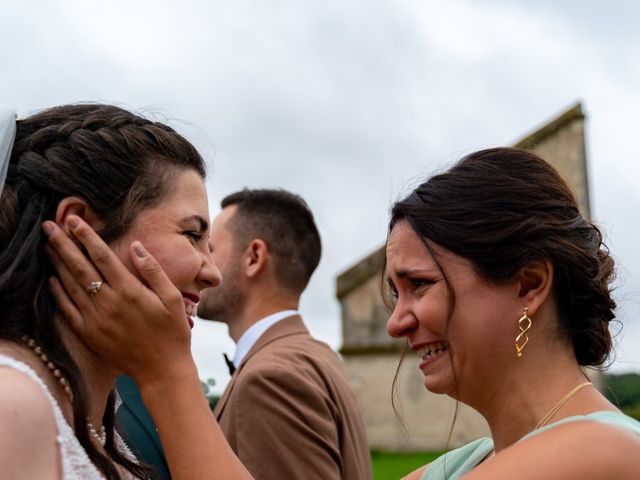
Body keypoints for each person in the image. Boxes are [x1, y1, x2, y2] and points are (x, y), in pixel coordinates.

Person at [0, 104, 253, 479]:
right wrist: (169, 372)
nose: (212, 274)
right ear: (78, 228)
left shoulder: (100, 426)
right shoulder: (13, 406)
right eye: (191, 234)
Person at [384, 148, 640, 479]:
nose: (395, 323)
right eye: (395, 292)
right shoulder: (460, 465)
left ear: (529, 285)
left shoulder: (604, 450)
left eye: (419, 283)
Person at [197, 188, 371, 480]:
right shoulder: (319, 356)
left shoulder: (270, 378)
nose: (200, 262)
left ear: (254, 257)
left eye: (210, 249)